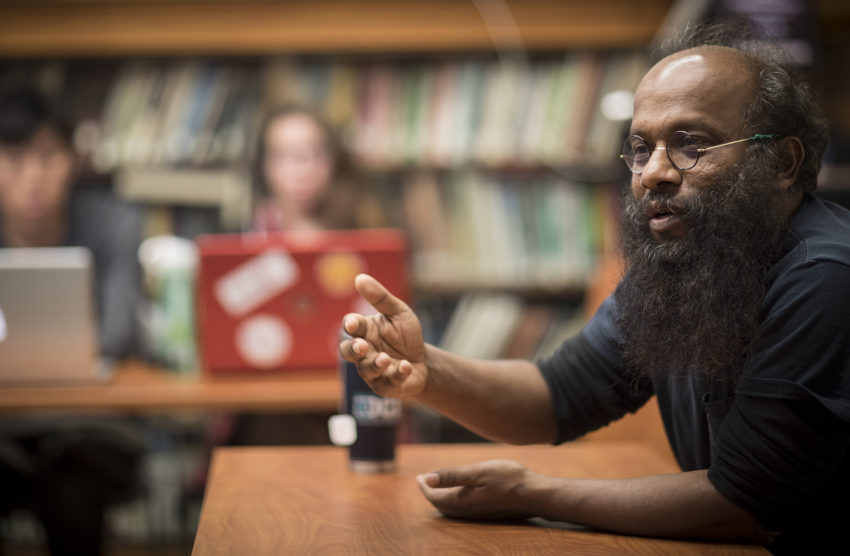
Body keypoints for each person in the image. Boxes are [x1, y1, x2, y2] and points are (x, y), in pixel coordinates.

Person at [338, 20, 850, 555]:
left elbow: (745, 503)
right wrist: (426, 372)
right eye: (640, 147)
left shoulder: (826, 276)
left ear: (783, 163)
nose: (654, 172)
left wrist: (536, 493)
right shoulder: (695, 262)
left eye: (690, 145)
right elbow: (558, 396)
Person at [0, 88, 145, 555]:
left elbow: (117, 332)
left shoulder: (114, 222)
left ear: (74, 159)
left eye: (48, 157)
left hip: (90, 424)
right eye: (14, 159)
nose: (33, 178)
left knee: (73, 490)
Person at [251, 105, 382, 233]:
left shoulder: (365, 222)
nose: (303, 170)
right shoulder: (257, 232)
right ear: (264, 167)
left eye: (317, 153)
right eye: (284, 155)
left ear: (335, 161)